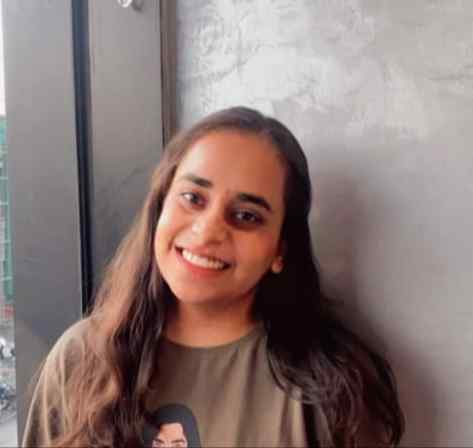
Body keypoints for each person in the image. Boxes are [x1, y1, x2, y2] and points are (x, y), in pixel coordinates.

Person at [22, 107, 404, 447]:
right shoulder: (80, 360)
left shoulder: (331, 391)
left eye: (247, 216)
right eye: (192, 198)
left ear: (280, 250)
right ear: (159, 208)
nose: (207, 231)